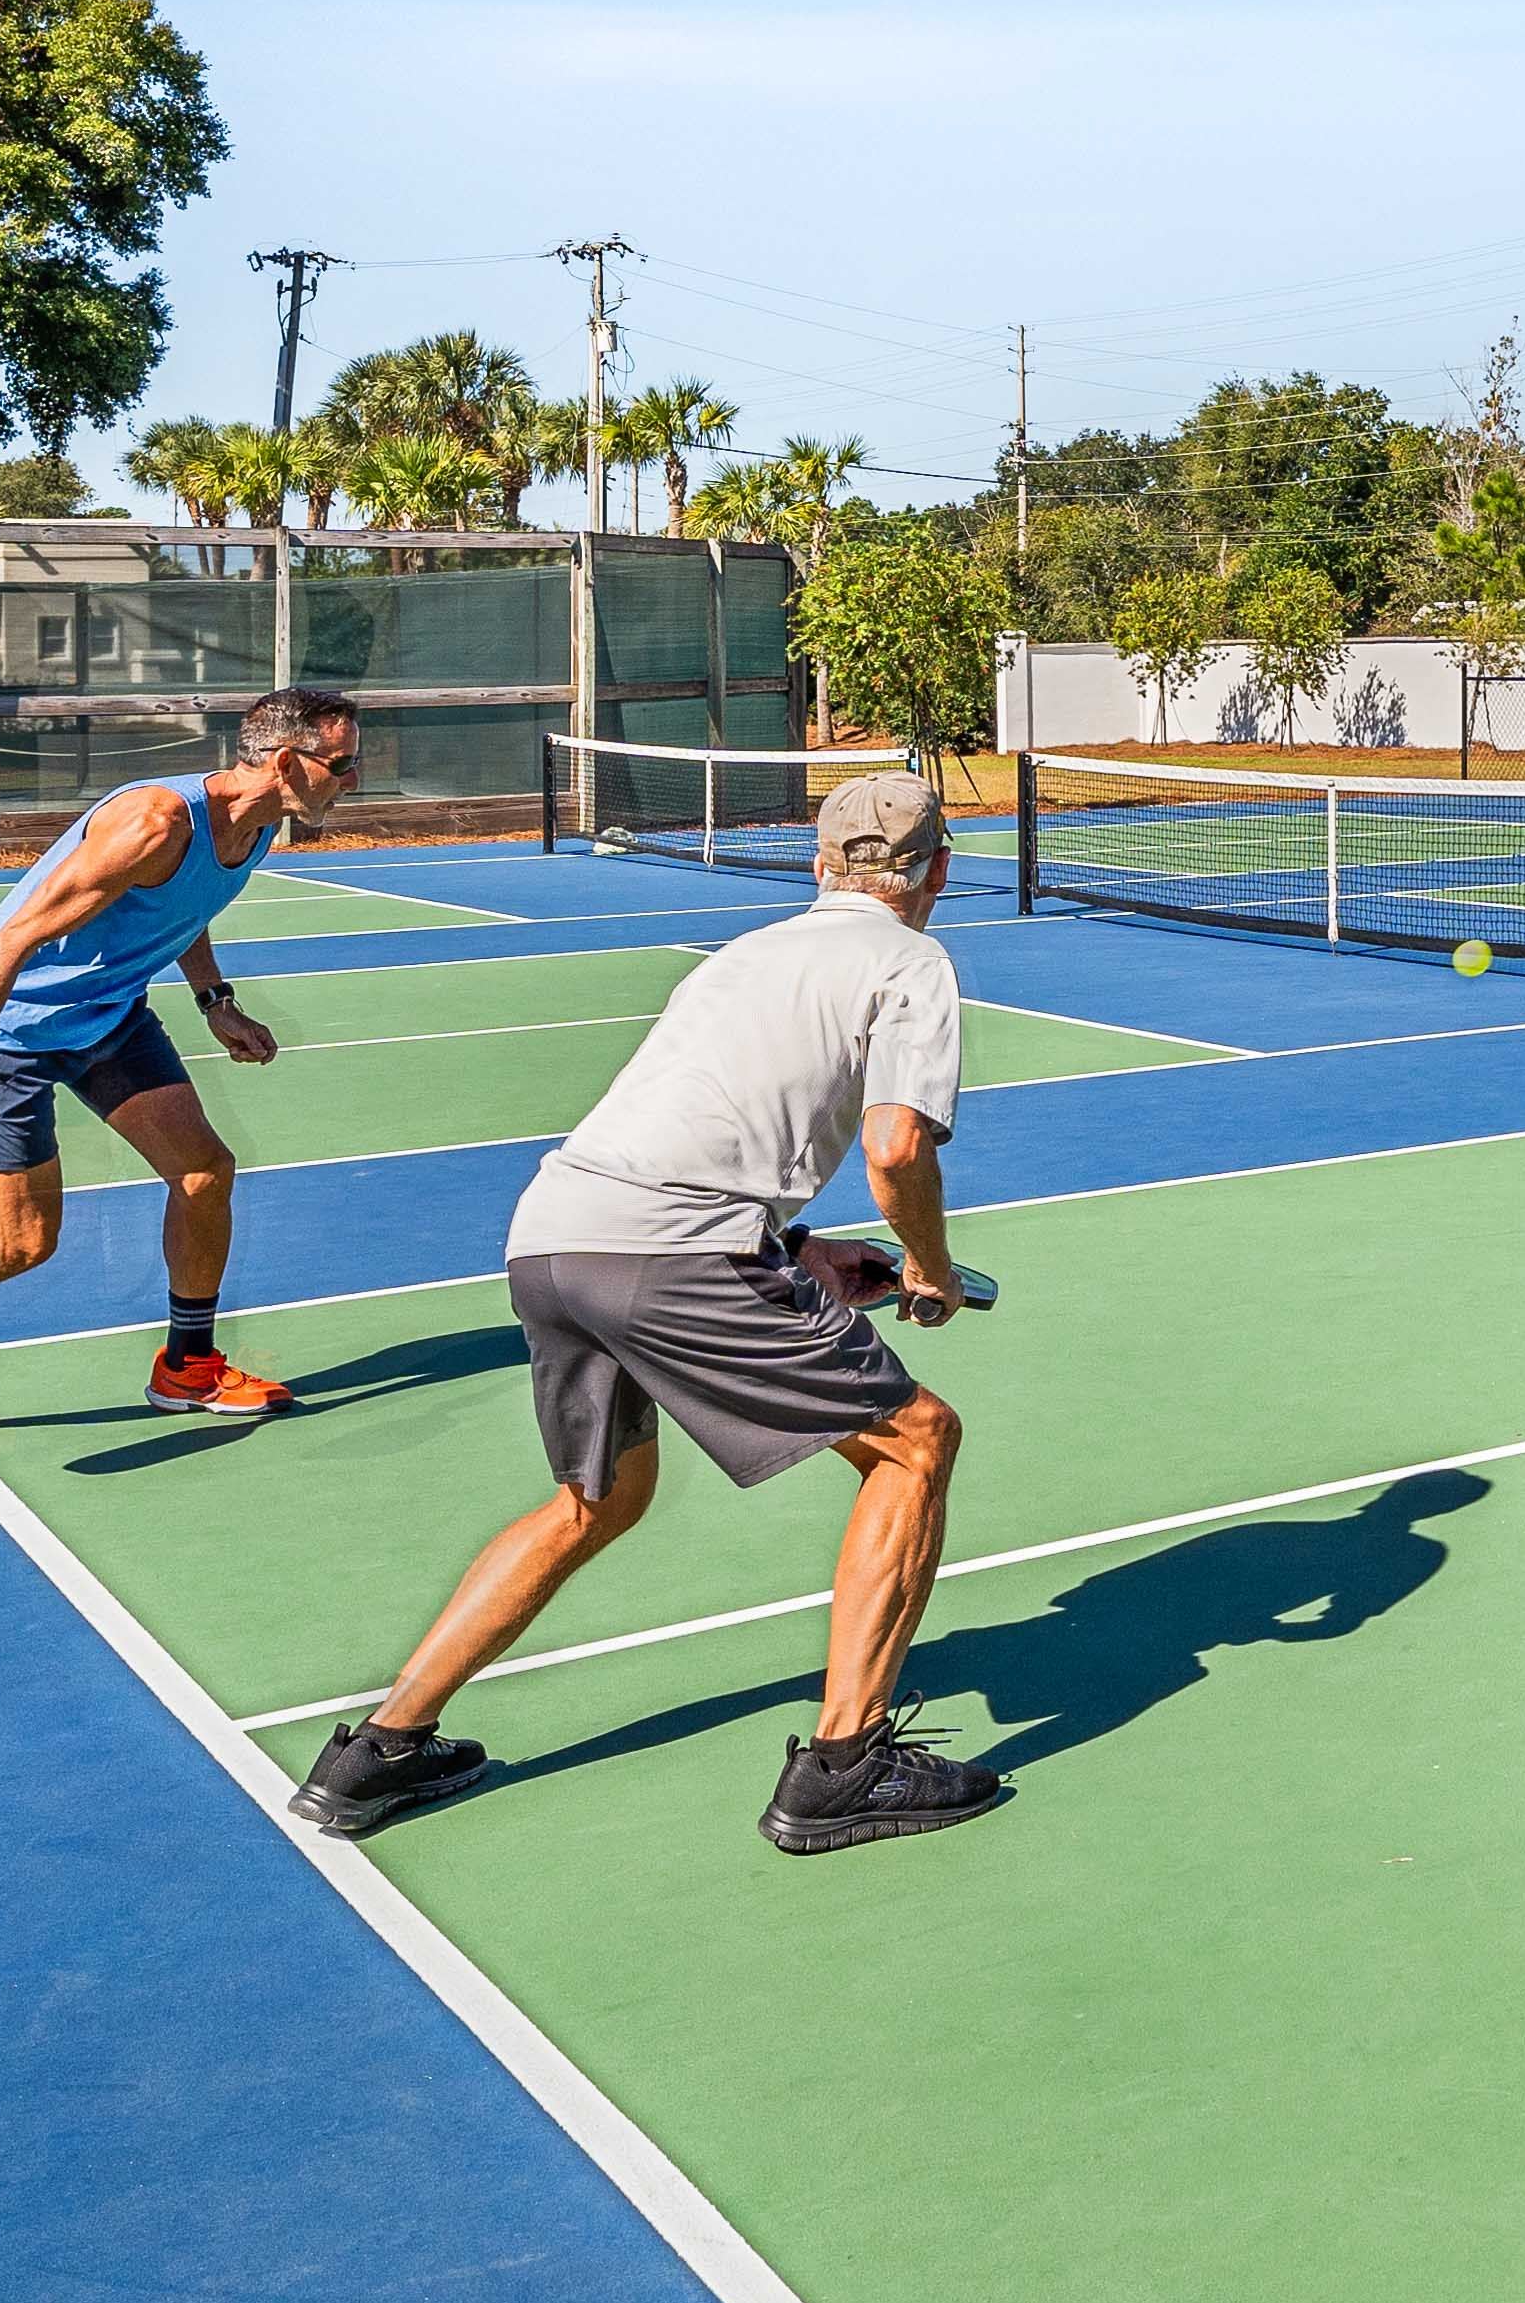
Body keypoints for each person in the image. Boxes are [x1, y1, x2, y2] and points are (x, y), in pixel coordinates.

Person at [287, 764, 1004, 1857]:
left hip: (556, 1235)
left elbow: (685, 1132)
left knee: (595, 1498)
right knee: (915, 1441)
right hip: (672, 1249)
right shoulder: (911, 959)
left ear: (820, 864)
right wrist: (928, 1265)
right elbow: (896, 1144)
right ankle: (844, 1767)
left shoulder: (746, 955)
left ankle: (375, 1751)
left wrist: (800, 1247)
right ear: (938, 868)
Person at [0, 688, 359, 1451]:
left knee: (204, 1172)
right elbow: (9, 944)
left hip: (108, 1017)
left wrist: (215, 1000)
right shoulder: (153, 824)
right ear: (284, 762)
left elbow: (186, 907)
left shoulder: (261, 825)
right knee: (21, 1243)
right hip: (14, 1031)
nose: (352, 779)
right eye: (340, 765)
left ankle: (189, 1366)